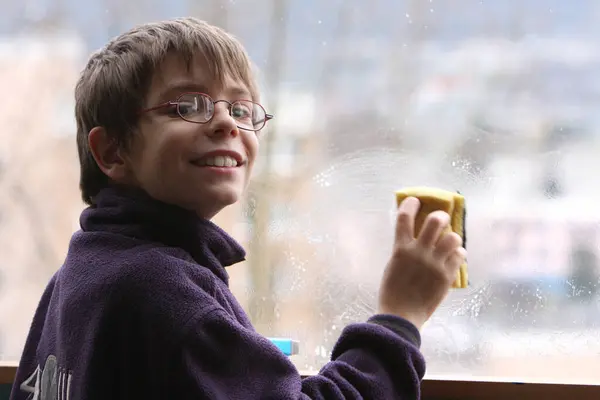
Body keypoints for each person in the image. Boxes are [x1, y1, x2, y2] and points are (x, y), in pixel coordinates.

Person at [10, 17, 466, 400]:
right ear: (112, 152)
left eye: (243, 109)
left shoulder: (82, 270)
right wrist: (400, 317)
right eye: (189, 105)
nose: (227, 122)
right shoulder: (162, 294)